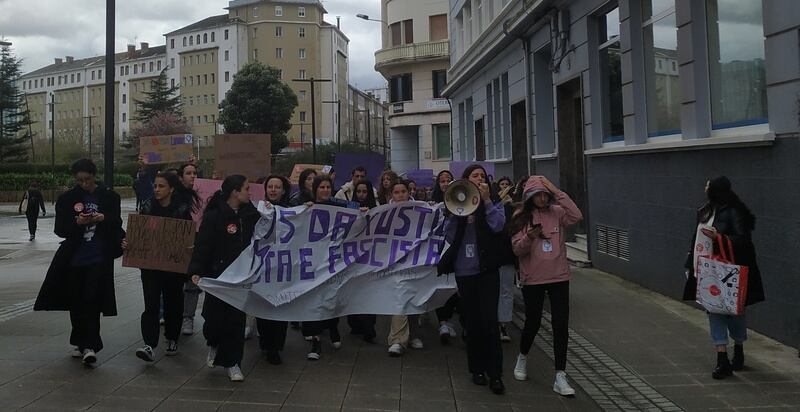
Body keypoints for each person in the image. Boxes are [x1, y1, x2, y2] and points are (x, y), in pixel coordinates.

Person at [33, 159, 125, 366]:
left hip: (98, 257)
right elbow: (60, 229)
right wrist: (77, 223)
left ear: (94, 176)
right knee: (76, 300)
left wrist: (103, 218)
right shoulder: (68, 199)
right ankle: (79, 340)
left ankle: (90, 345)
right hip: (74, 257)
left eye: (88, 179)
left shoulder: (110, 197)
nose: (84, 183)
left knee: (92, 300)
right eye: (80, 180)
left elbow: (116, 223)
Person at [682, 176, 764, 380]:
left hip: (729, 271)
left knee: (734, 310)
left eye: (708, 185)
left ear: (716, 189)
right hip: (707, 269)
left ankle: (738, 347)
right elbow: (696, 238)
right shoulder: (706, 210)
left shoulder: (735, 212)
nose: (705, 187)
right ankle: (722, 358)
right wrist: (689, 264)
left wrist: (718, 237)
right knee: (714, 310)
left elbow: (743, 240)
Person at [510, 175, 582, 396]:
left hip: (559, 276)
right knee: (533, 321)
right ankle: (522, 357)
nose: (542, 198)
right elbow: (517, 250)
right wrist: (530, 237)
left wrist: (556, 190)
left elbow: (576, 215)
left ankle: (560, 374)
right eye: (537, 194)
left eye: (545, 194)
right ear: (529, 196)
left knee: (561, 325)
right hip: (533, 278)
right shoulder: (521, 217)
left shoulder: (557, 212)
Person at [440, 165, 507, 395]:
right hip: (465, 270)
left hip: (487, 270)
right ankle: (476, 369)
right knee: (472, 321)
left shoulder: (494, 202)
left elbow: (499, 226)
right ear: (466, 181)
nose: (479, 179)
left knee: (490, 321)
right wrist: (456, 214)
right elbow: (448, 235)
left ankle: (495, 373)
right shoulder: (458, 203)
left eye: (482, 176)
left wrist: (486, 201)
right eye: (474, 176)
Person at [189, 175, 259, 382]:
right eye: (246, 188)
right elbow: (203, 245)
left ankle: (233, 362)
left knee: (235, 321)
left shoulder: (252, 214)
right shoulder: (214, 216)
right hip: (217, 277)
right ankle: (214, 343)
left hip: (240, 279)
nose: (250, 192)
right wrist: (196, 269)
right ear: (235, 192)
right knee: (213, 318)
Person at [127, 172, 195, 362]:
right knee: (151, 304)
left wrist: (190, 246)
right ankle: (150, 344)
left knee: (174, 303)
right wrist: (129, 243)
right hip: (150, 267)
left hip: (173, 267)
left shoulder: (182, 210)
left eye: (161, 186)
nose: (157, 189)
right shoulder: (148, 207)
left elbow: (188, 235)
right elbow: (139, 233)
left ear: (171, 188)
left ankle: (172, 338)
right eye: (155, 186)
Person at [302, 175, 348, 360]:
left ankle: (333, 327)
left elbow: (356, 217)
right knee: (314, 301)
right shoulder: (307, 207)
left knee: (331, 297)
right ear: (315, 189)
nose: (325, 190)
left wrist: (362, 211)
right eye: (321, 187)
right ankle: (316, 342)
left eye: (328, 187)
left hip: (332, 262)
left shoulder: (339, 207)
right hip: (313, 262)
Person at [386, 180, 426, 357]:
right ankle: (397, 339)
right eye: (396, 192)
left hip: (414, 261)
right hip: (393, 263)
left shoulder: (420, 209)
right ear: (391, 195)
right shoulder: (383, 213)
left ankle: (413, 334)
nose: (400, 195)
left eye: (403, 191)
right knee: (399, 298)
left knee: (413, 296)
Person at [255, 175, 292, 365]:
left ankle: (275, 347)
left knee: (280, 306)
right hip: (263, 267)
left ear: (283, 190)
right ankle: (265, 338)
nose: (273, 190)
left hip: (283, 267)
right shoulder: (257, 209)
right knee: (262, 305)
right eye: (270, 186)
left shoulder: (292, 211)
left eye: (277, 187)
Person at [346, 179, 379, 343]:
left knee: (368, 292)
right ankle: (355, 324)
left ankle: (369, 327)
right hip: (352, 257)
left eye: (364, 192)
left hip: (370, 257)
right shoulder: (348, 209)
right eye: (358, 191)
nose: (361, 195)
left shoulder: (377, 211)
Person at [178, 162, 204, 336]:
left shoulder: (202, 195)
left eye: (195, 172)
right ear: (181, 177)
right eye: (188, 173)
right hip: (178, 243)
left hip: (197, 242)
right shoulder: (174, 195)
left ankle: (188, 317)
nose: (192, 176)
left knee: (192, 283)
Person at [495, 177, 517, 343]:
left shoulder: (514, 208)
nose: (505, 188)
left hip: (507, 254)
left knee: (507, 291)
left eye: (507, 185)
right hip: (493, 255)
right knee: (494, 291)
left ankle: (504, 324)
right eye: (502, 185)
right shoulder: (493, 206)